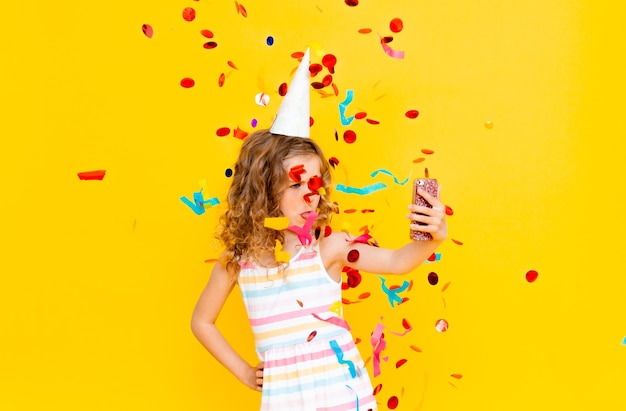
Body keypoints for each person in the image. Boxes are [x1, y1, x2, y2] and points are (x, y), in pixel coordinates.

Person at [190, 49, 447, 410]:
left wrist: (431, 236)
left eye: (314, 182)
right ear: (262, 191)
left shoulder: (331, 249)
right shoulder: (240, 259)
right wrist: (245, 372)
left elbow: (397, 261)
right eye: (295, 184)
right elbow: (202, 321)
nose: (309, 193)